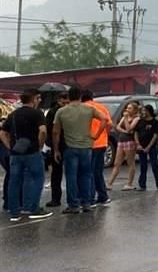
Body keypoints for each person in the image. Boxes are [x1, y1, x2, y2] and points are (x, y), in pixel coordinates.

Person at [53, 87, 108, 213]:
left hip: (70, 147)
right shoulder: (89, 109)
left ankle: (73, 204)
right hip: (87, 147)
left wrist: (56, 149)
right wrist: (96, 135)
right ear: (80, 96)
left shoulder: (61, 111)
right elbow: (104, 119)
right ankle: (86, 202)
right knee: (86, 175)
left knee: (71, 176)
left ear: (69, 96)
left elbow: (55, 131)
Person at [0, 89, 51, 221]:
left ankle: (14, 212)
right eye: (38, 98)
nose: (39, 100)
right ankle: (33, 208)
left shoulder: (14, 114)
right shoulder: (37, 114)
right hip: (32, 152)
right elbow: (43, 131)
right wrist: (39, 145)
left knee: (14, 181)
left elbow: (2, 133)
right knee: (37, 178)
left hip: (15, 153)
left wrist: (10, 147)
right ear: (33, 99)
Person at [81, 90, 113, 206]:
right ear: (92, 97)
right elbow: (109, 124)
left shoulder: (82, 108)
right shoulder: (101, 107)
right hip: (102, 143)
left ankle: (90, 198)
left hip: (89, 143)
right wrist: (104, 134)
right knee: (98, 172)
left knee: (88, 172)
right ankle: (103, 196)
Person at [107, 101, 140, 191]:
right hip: (121, 141)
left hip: (130, 141)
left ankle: (129, 183)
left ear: (135, 110)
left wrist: (126, 119)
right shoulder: (125, 117)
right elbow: (117, 126)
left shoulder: (136, 118)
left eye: (130, 108)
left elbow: (130, 128)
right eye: (127, 108)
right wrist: (125, 131)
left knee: (130, 163)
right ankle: (110, 183)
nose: (127, 110)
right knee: (117, 163)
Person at [44, 92, 68, 207]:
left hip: (57, 144)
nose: (65, 104)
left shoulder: (54, 111)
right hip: (60, 143)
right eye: (64, 102)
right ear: (59, 100)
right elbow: (50, 129)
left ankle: (56, 199)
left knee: (57, 173)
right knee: (59, 173)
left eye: (67, 102)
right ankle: (57, 198)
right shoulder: (54, 112)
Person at [135, 105, 158, 191]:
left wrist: (149, 147)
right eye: (143, 111)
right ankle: (142, 184)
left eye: (145, 111)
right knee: (143, 166)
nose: (143, 112)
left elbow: (155, 136)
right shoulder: (140, 121)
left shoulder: (155, 122)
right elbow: (136, 133)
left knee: (154, 164)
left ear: (149, 111)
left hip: (152, 146)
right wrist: (138, 144)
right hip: (141, 145)